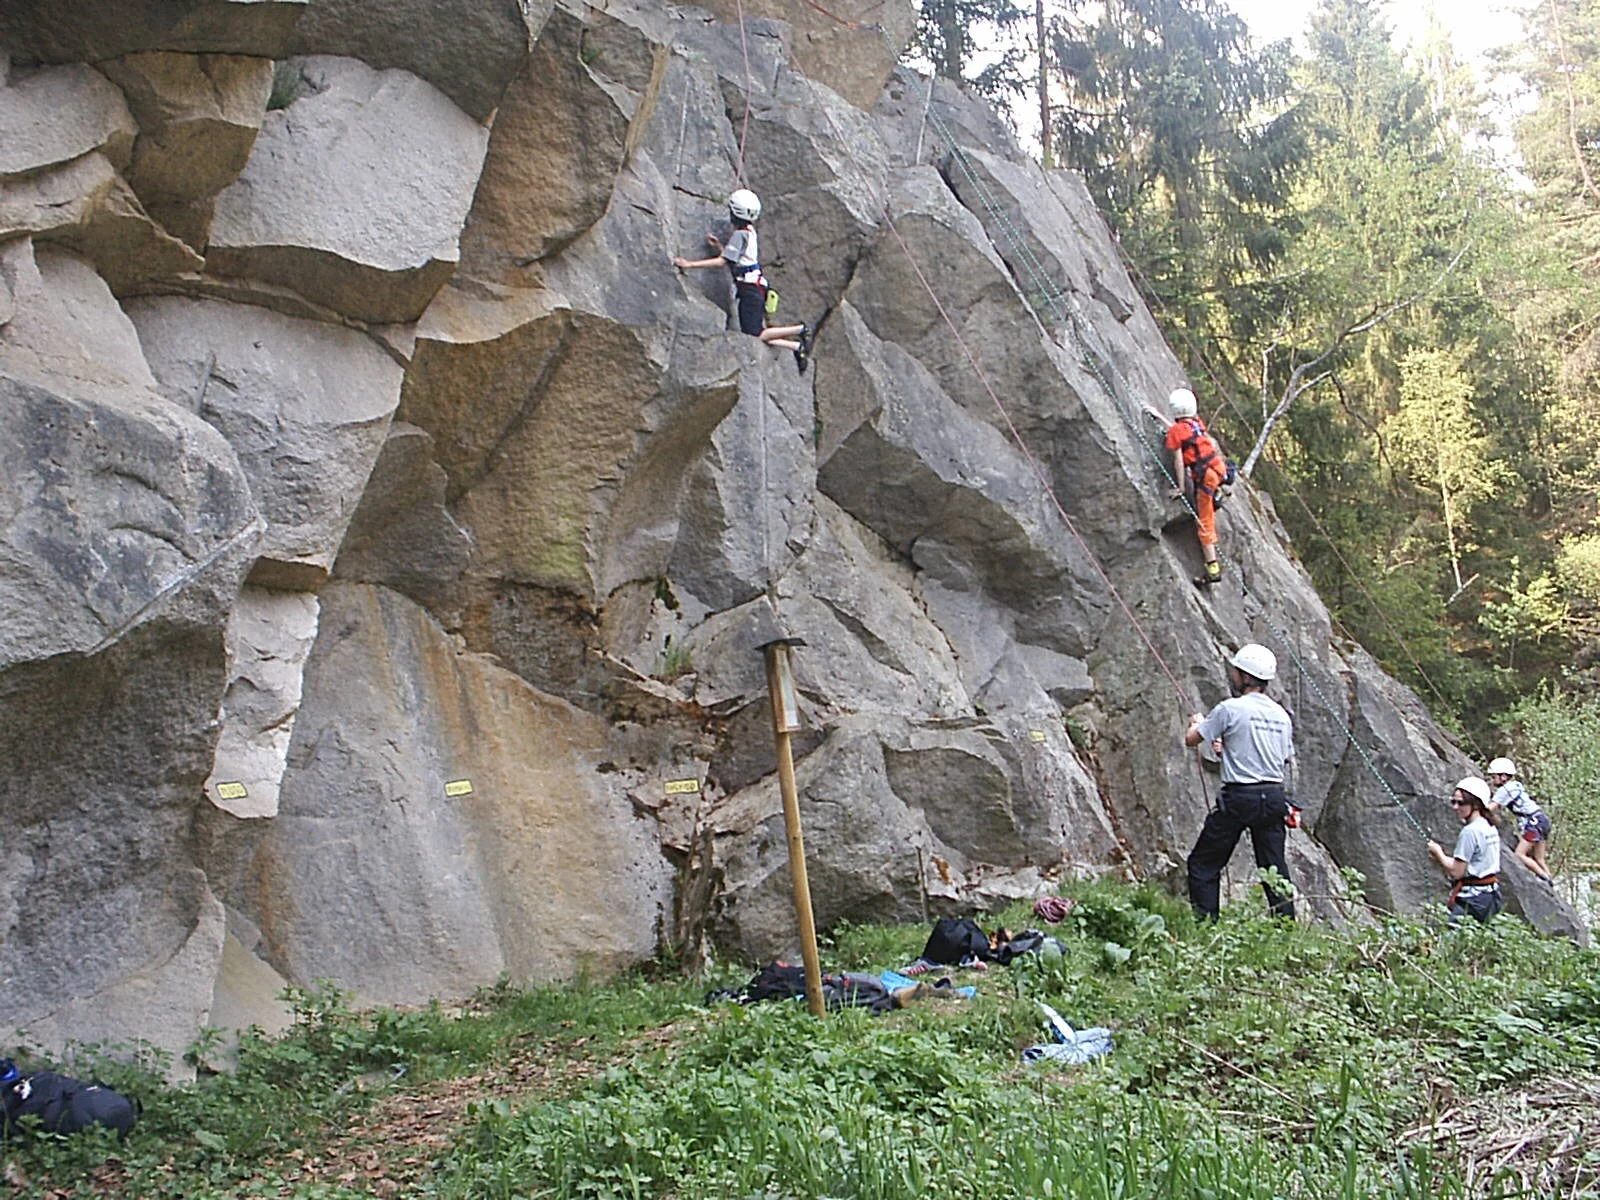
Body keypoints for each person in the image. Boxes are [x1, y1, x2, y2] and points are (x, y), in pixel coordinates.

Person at [1184, 643, 1296, 920]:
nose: (1233, 675)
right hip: (1273, 797)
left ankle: (1205, 925)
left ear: (1245, 676)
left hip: (1240, 797)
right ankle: (1286, 930)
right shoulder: (1282, 716)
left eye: (1236, 671)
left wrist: (1198, 723)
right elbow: (1277, 759)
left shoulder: (1230, 709)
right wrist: (1230, 752)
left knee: (1203, 864)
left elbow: (1191, 740)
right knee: (1275, 871)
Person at [671, 188, 813, 372]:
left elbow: (723, 262)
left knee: (756, 333)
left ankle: (800, 330)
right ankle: (796, 347)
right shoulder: (749, 232)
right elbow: (737, 259)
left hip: (750, 290)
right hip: (755, 287)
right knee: (754, 332)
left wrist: (688, 264)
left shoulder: (740, 235)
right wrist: (721, 247)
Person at [1156, 387, 1233, 587]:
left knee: (1205, 522)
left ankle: (1213, 568)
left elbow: (1179, 460)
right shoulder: (1196, 424)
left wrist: (1181, 488)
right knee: (1208, 502)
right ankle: (1219, 491)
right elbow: (1179, 435)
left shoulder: (1177, 430)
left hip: (1206, 478)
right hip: (1218, 469)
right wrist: (1159, 417)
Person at [1428, 777, 1503, 923]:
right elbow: (1474, 864)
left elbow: (1457, 872)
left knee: (1451, 940)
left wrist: (1439, 853)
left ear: (1475, 804)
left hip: (1473, 899)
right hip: (1490, 896)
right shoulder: (1488, 826)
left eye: (1461, 803)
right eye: (1453, 802)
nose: (1455, 807)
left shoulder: (1470, 832)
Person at [1486, 757, 1552, 883]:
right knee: (1539, 859)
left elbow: (1490, 808)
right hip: (1541, 819)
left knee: (1519, 854)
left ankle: (1544, 878)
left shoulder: (1505, 790)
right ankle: (1550, 883)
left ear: (1503, 776)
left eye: (1494, 777)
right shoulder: (1516, 786)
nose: (1492, 780)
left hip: (1533, 822)